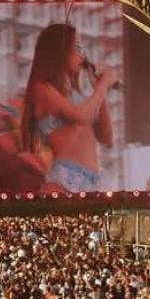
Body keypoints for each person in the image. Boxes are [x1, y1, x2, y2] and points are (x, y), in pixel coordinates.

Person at [20, 22, 119, 193]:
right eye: (78, 47)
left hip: (91, 182)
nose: (83, 54)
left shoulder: (74, 93)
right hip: (65, 179)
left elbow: (106, 138)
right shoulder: (42, 88)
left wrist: (98, 89)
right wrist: (103, 86)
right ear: (61, 50)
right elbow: (81, 117)